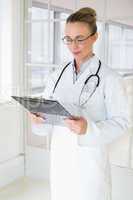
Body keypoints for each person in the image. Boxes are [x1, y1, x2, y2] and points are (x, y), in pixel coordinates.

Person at [30, 7, 129, 200]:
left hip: (89, 161)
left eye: (80, 38)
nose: (73, 45)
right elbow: (46, 121)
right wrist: (38, 119)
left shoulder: (110, 78)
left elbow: (122, 123)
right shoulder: (56, 75)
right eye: (68, 38)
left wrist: (88, 129)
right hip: (60, 157)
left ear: (94, 37)